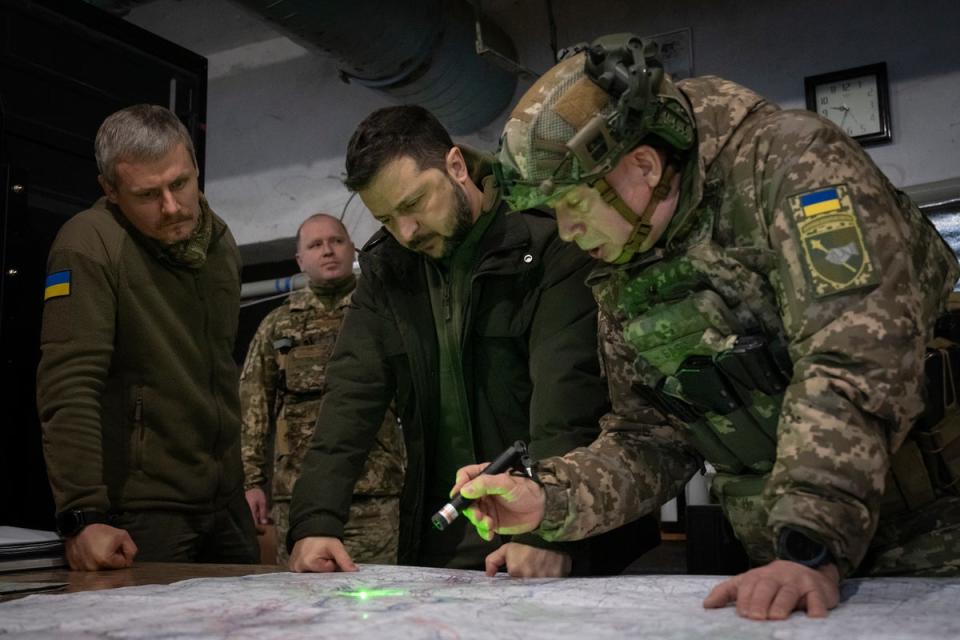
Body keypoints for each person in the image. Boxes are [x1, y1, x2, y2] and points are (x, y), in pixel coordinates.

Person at [449, 33, 960, 619]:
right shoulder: (627, 258)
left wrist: (809, 539)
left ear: (642, 165)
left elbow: (853, 355)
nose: (566, 232)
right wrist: (548, 498)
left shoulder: (792, 164)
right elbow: (651, 437)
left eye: (575, 205)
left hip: (931, 541)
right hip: (790, 562)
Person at [287, 104, 659, 576]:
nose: (406, 231)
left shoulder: (547, 243)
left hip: (565, 537)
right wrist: (315, 521)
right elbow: (349, 399)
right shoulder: (388, 274)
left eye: (413, 204)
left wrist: (544, 529)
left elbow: (567, 397)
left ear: (456, 166)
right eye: (386, 218)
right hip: (444, 540)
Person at [36, 104, 258, 570]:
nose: (172, 207)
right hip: (144, 513)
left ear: (196, 168)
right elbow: (68, 384)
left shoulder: (221, 243)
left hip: (227, 505)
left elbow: (221, 371)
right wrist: (82, 515)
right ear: (111, 191)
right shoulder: (88, 243)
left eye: (180, 183)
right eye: (148, 194)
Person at [240, 213, 406, 565]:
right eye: (315, 245)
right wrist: (252, 481)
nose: (327, 251)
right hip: (298, 495)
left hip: (375, 493)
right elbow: (254, 406)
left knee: (383, 600)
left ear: (353, 249)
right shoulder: (278, 325)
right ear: (300, 260)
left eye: (336, 241)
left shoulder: (384, 314)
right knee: (305, 603)